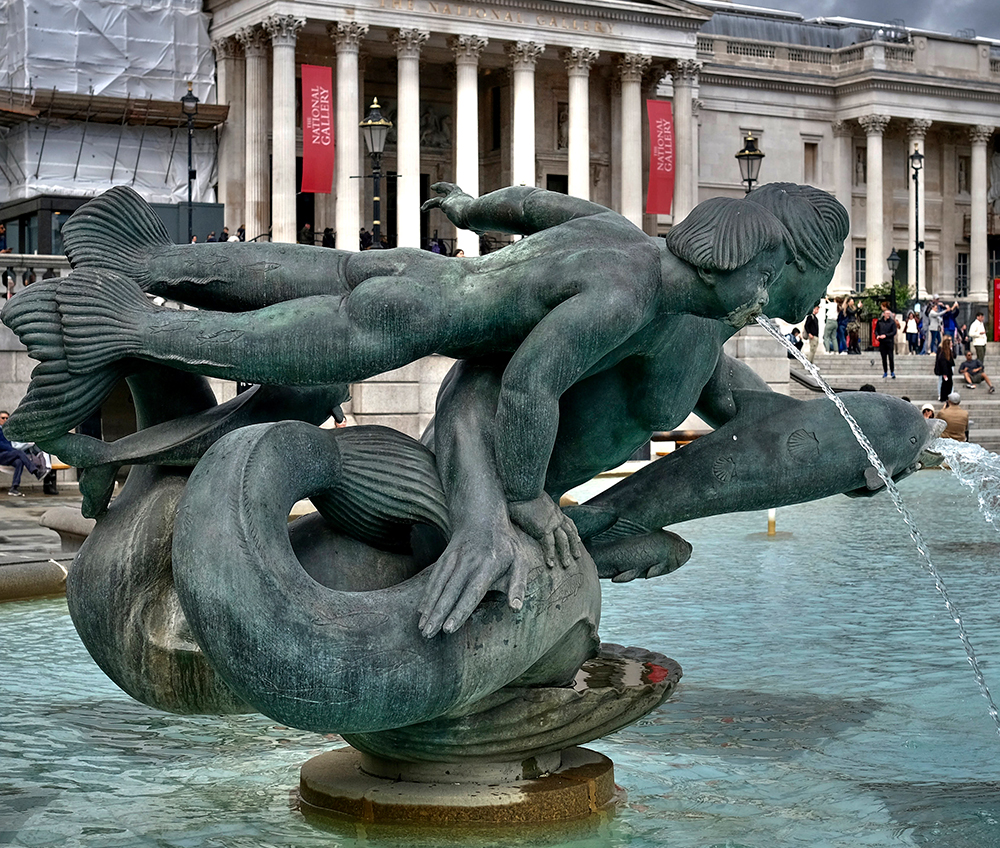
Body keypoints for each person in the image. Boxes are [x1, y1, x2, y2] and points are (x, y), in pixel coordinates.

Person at [5, 181, 819, 592]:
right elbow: (532, 385)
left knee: (263, 272)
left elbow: (533, 203)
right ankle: (109, 326)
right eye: (774, 293)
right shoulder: (628, 299)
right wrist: (529, 497)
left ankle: (132, 256)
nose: (759, 311)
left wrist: (470, 209)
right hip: (404, 322)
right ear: (755, 268)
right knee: (213, 339)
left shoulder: (621, 234)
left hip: (419, 273)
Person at [0, 409, 43, 497]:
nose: (5, 420)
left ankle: (14, 488)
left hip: (8, 455)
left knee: (19, 462)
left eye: (7, 418)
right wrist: (13, 449)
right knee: (19, 453)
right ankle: (35, 471)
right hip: (1, 455)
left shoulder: (7, 431)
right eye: (3, 418)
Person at [874, 306, 899, 378]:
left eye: (889, 314)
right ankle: (885, 371)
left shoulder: (892, 322)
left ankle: (892, 371)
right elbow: (876, 330)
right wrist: (877, 335)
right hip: (882, 342)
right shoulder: (880, 322)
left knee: (891, 357)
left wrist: (886, 335)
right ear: (884, 314)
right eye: (886, 313)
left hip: (889, 341)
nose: (888, 315)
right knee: (883, 358)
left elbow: (894, 332)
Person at [934, 334, 955, 402]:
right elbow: (942, 363)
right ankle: (942, 396)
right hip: (944, 371)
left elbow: (953, 357)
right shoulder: (942, 352)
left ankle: (949, 396)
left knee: (949, 384)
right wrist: (944, 373)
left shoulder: (949, 351)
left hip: (948, 370)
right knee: (944, 384)